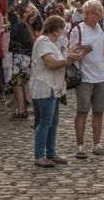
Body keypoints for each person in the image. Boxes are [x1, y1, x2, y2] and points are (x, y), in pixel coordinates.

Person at [30, 16, 83, 168]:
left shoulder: (51, 43)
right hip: (44, 88)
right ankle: (39, 155)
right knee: (45, 122)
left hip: (54, 88)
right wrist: (67, 62)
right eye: (62, 29)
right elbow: (51, 63)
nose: (63, 32)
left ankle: (51, 153)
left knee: (53, 122)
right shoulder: (43, 42)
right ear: (56, 30)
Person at [68, 0, 104, 159]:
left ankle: (97, 144)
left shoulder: (99, 29)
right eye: (96, 13)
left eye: (100, 13)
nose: (99, 16)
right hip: (85, 77)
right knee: (82, 111)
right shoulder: (78, 30)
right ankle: (80, 146)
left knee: (98, 112)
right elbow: (72, 54)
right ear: (86, 13)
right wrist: (84, 52)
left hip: (101, 77)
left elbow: (103, 51)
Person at [7, 8, 33, 120]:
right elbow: (30, 41)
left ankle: (21, 109)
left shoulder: (13, 27)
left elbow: (11, 46)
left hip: (17, 57)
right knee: (25, 82)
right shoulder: (24, 26)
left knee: (17, 84)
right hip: (27, 56)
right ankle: (26, 106)